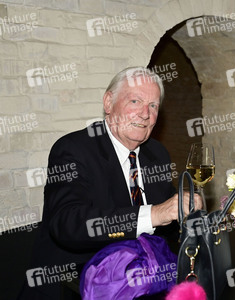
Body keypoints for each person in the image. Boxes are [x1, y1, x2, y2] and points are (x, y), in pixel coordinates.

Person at [20, 67, 202, 299]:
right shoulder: (73, 149)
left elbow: (167, 220)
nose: (145, 114)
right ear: (108, 103)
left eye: (153, 105)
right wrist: (154, 214)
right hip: (77, 286)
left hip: (144, 283)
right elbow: (68, 224)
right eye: (135, 101)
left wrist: (189, 213)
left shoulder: (156, 153)